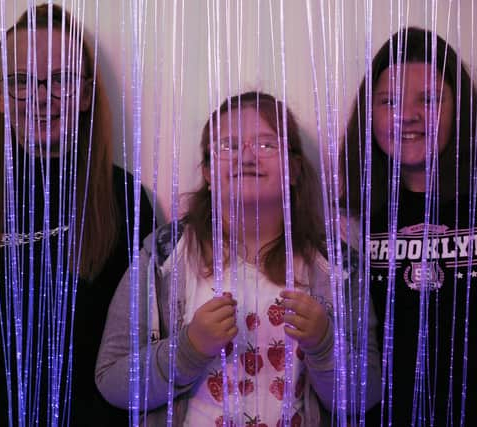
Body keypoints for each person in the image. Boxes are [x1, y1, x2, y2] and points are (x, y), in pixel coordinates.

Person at [96, 92, 378, 426]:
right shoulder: (164, 254)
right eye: (227, 146)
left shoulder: (336, 265)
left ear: (294, 169)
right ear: (208, 173)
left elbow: (366, 396)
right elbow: (112, 381)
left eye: (266, 145)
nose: (246, 157)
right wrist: (188, 350)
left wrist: (324, 346)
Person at [0, 4, 153, 426]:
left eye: (62, 80)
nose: (41, 96)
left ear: (87, 93)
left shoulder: (126, 198)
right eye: (20, 81)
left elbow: (135, 347)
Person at [340, 27, 477, 426]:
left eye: (430, 99)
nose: (407, 115)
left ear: (460, 109)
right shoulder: (352, 215)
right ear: (369, 114)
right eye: (389, 101)